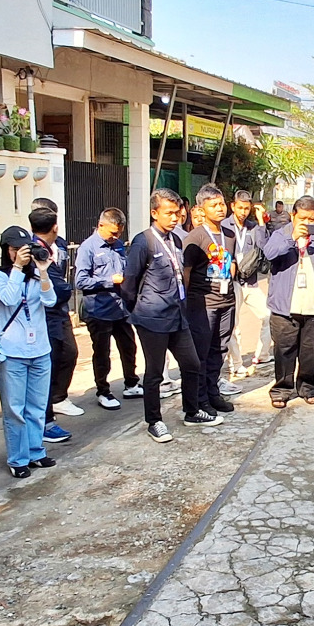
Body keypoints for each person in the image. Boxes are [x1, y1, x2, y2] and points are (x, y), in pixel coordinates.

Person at [123, 189, 217, 440]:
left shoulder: (175, 240)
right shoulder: (144, 241)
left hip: (177, 314)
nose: (175, 218)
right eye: (169, 213)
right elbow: (129, 282)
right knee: (154, 372)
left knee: (192, 363)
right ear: (154, 213)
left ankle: (191, 410)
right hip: (152, 318)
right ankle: (154, 421)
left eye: (177, 213)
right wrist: (137, 310)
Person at [263, 195, 314, 407]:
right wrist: (291, 237)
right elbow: (270, 254)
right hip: (284, 307)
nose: (307, 224)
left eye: (311, 219)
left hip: (312, 305)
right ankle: (282, 389)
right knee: (284, 350)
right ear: (293, 216)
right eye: (302, 219)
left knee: (310, 352)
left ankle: (308, 387)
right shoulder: (281, 234)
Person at [0, 226, 57, 478]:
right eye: (14, 249)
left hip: (40, 349)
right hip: (12, 352)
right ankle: (18, 459)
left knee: (37, 407)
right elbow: (8, 298)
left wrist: (42, 270)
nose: (20, 253)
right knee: (14, 409)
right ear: (6, 250)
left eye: (23, 249)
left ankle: (36, 451)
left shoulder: (35, 274)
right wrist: (17, 268)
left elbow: (50, 301)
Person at [76, 207, 142, 410]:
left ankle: (131, 383)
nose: (116, 237)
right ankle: (103, 391)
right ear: (101, 225)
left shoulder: (119, 245)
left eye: (119, 233)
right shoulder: (88, 248)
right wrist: (108, 281)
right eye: (113, 233)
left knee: (129, 347)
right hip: (99, 309)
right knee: (102, 352)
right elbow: (80, 281)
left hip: (120, 307)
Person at [182, 184, 240, 413]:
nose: (219, 209)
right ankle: (200, 399)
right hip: (203, 303)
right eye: (213, 205)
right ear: (201, 209)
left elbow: (231, 261)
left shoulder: (229, 235)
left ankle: (213, 392)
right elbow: (186, 273)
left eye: (222, 204)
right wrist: (185, 304)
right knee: (202, 352)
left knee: (220, 350)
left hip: (227, 301)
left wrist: (230, 273)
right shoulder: (194, 238)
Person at [24, 208, 79, 443]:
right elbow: (59, 289)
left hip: (59, 315)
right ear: (55, 225)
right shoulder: (34, 252)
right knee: (47, 367)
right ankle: (45, 420)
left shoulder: (58, 246)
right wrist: (64, 289)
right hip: (46, 317)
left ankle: (56, 401)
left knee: (68, 355)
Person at [223, 189, 272, 378]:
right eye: (240, 207)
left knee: (269, 316)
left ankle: (262, 355)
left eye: (246, 208)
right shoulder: (224, 226)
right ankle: (235, 363)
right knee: (233, 325)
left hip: (251, 282)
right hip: (232, 282)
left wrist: (261, 222)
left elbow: (264, 247)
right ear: (232, 206)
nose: (243, 212)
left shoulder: (253, 227)